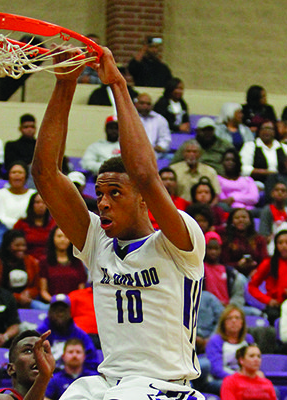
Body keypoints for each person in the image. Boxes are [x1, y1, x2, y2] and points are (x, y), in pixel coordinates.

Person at [31, 46, 205, 400]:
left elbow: (143, 172)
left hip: (167, 388)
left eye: (115, 193)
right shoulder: (97, 241)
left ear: (143, 198)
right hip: (110, 383)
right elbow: (45, 174)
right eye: (100, 194)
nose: (104, 202)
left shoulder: (178, 242)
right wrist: (66, 83)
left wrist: (118, 85)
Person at [248, 230, 287, 323]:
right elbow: (252, 286)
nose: (284, 246)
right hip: (275, 307)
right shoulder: (268, 263)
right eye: (280, 243)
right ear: (276, 246)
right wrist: (268, 300)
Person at [36, 294, 99, 372]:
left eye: (63, 310)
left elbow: (92, 363)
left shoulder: (80, 335)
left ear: (70, 313)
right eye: (56, 310)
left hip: (76, 379)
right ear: (49, 312)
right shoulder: (41, 334)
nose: (60, 314)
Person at [0, 330, 55, 400]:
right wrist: (43, 377)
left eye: (43, 351)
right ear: (11, 369)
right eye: (28, 351)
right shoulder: (0, 398)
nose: (38, 356)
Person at [205, 305, 251, 394]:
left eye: (237, 318)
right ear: (223, 323)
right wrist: (239, 379)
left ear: (242, 322)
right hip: (221, 379)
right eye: (229, 318)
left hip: (245, 378)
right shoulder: (215, 341)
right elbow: (217, 370)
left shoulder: (248, 339)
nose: (234, 321)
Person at [0, 229, 45, 310]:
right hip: (3, 301)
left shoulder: (31, 262)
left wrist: (29, 293)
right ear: (8, 246)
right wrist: (17, 297)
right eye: (17, 245)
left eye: (23, 245)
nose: (21, 248)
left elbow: (36, 287)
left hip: (28, 301)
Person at [39, 226, 87, 303]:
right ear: (53, 238)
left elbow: (81, 290)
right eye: (59, 236)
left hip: (73, 303)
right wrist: (54, 301)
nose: (62, 240)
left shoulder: (77, 261)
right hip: (51, 304)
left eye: (66, 236)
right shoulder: (44, 261)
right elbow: (43, 291)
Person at [203, 232, 246, 310]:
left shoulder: (229, 272)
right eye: (210, 248)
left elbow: (237, 295)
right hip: (208, 309)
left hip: (228, 309)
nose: (213, 252)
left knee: (256, 313)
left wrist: (230, 305)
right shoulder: (200, 270)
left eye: (216, 249)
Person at [240, 119, 287, 184]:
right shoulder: (250, 146)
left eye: (270, 129)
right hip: (257, 184)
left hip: (282, 184)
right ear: (259, 131)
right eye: (264, 128)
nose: (267, 131)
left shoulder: (285, 148)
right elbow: (244, 169)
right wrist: (267, 173)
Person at [218, 208, 268, 276]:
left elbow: (265, 260)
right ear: (232, 221)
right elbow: (223, 263)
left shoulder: (259, 239)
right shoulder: (226, 239)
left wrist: (256, 269)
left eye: (244, 217)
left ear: (250, 220)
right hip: (233, 274)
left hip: (256, 274)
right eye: (237, 218)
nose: (241, 220)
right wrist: (238, 265)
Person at [0, 161, 37, 229]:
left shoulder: (33, 194)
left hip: (30, 232)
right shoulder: (0, 194)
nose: (17, 175)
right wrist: (20, 225)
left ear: (26, 176)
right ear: (8, 176)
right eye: (13, 172)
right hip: (4, 231)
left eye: (20, 172)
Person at [14, 193, 56, 262]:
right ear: (31, 205)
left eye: (43, 202)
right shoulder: (21, 224)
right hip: (26, 262)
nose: (41, 205)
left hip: (49, 261)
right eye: (37, 202)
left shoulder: (54, 224)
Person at [134, 93, 171, 158]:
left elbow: (165, 138)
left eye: (148, 104)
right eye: (142, 103)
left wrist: (159, 147)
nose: (145, 106)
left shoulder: (160, 119)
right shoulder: (129, 117)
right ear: (136, 104)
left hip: (154, 154)